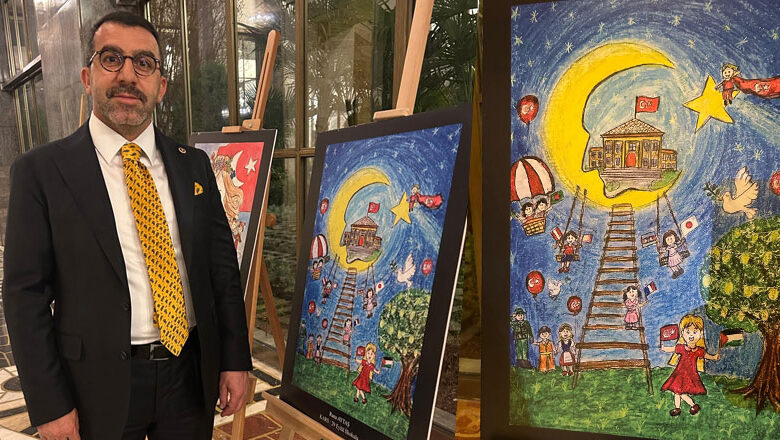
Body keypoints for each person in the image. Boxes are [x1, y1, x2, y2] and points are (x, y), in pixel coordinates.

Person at [2, 12, 251, 440]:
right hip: (96, 385)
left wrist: (236, 358)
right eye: (112, 58)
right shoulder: (41, 172)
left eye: (144, 63)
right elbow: (25, 297)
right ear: (87, 76)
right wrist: (49, 403)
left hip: (190, 374)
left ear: (161, 86)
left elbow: (222, 271)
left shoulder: (194, 165)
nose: (128, 76)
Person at [660, 315, 720, 417]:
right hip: (679, 373)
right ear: (682, 333)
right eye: (688, 332)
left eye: (695, 332)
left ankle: (686, 407)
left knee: (680, 392)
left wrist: (714, 357)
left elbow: (706, 355)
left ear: (701, 334)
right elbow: (672, 349)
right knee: (677, 392)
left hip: (690, 374)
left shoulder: (698, 350)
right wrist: (664, 348)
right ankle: (682, 407)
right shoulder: (682, 348)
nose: (691, 335)